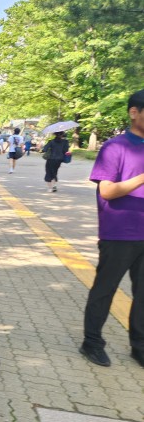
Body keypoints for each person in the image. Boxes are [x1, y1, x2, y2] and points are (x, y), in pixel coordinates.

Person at [79, 89, 144, 369]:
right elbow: (106, 191)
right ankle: (91, 342)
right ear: (134, 112)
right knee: (105, 290)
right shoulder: (115, 147)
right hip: (119, 232)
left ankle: (139, 346)